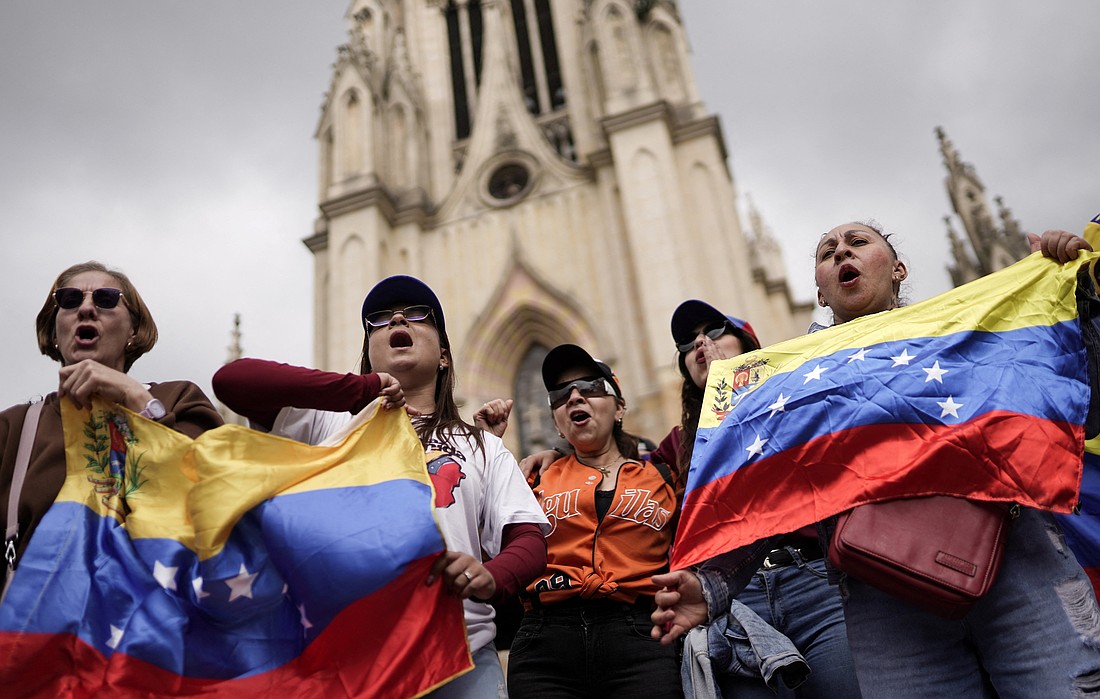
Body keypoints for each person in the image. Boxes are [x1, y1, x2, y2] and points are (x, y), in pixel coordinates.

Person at [652, 223, 1100, 698]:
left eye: (859, 242)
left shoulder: (979, 332)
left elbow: (1083, 414)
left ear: (899, 269)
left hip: (1020, 573)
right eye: (828, 252)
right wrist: (713, 586)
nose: (842, 250)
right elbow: (770, 499)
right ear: (821, 294)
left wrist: (1079, 299)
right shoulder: (794, 383)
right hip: (889, 609)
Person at [213, 274, 548, 699]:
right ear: (368, 355)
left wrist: (490, 576)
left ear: (443, 356)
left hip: (458, 654)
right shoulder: (331, 424)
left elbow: (529, 540)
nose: (395, 319)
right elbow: (233, 381)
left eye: (415, 314)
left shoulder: (482, 446)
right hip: (351, 655)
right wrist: (362, 389)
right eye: (379, 319)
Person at [653, 301, 861, 698]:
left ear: (749, 344)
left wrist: (736, 385)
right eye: (687, 344)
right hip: (735, 604)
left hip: (812, 586)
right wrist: (553, 458)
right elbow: (615, 471)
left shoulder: (795, 401)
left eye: (714, 332)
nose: (700, 343)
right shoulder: (677, 445)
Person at [0, 261, 223, 589]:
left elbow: (209, 495)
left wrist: (135, 397)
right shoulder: (14, 428)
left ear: (134, 330)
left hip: (150, 627)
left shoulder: (180, 400)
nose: (87, 308)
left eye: (106, 299)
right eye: (69, 300)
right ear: (53, 330)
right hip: (39, 628)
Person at [507, 344, 682, 698]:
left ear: (619, 407)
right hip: (546, 643)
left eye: (589, 387)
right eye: (560, 395)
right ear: (555, 422)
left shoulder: (664, 474)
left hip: (641, 639)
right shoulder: (532, 479)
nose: (574, 397)